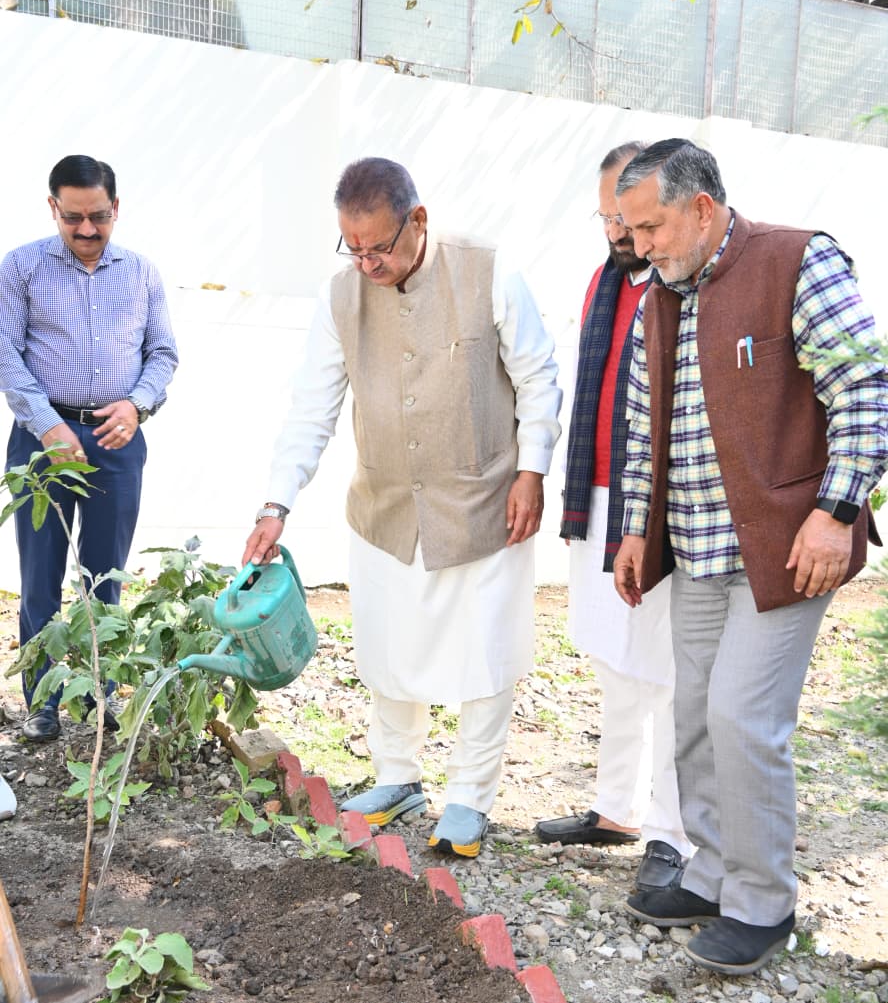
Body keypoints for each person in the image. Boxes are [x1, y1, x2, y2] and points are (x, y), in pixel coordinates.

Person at [612, 138, 887, 975]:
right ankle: (712, 872)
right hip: (697, 542)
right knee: (696, 714)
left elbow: (866, 387)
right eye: (630, 230)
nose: (640, 246)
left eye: (651, 227)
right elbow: (642, 424)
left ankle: (763, 903)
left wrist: (837, 512)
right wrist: (635, 528)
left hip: (790, 547)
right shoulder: (660, 296)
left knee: (741, 714)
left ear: (702, 208)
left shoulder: (799, 262)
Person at [244, 157, 562, 858]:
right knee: (387, 647)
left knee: (485, 653)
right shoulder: (341, 296)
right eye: (352, 249)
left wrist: (533, 470)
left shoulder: (489, 271)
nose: (367, 264)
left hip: (484, 503)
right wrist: (276, 502)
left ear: (417, 219)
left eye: (379, 248)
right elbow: (312, 406)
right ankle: (397, 777)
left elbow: (539, 379)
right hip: (385, 506)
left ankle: (470, 797)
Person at [535, 142, 693, 892]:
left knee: (664, 668)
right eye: (605, 216)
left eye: (625, 219)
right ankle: (617, 807)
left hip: (659, 506)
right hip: (596, 494)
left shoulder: (682, 279)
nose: (615, 231)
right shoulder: (606, 279)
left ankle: (671, 831)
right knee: (613, 657)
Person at [0, 154, 179, 743]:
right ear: (53, 207)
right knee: (41, 577)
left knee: (106, 576)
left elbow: (163, 354)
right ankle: (44, 702)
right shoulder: (20, 268)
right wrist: (48, 426)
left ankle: (101, 693)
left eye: (98, 216)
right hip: (41, 442)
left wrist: (137, 406)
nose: (85, 229)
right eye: (72, 217)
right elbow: (5, 354)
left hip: (116, 439)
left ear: (115, 208)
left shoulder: (142, 273)